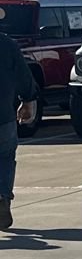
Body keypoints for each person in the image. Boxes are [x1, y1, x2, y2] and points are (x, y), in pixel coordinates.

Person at [2, 26, 38, 231]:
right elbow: (24, 76)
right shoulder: (7, 44)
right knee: (5, 158)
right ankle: (3, 196)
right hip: (4, 116)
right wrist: (28, 99)